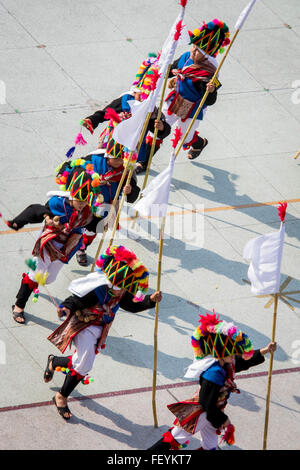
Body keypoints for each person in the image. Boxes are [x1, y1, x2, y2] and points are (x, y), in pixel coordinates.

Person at [44, 244, 162, 420]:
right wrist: (65, 308)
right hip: (83, 326)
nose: (122, 291)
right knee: (85, 364)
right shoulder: (98, 289)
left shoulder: (121, 291)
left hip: (100, 329)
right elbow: (75, 300)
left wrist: (150, 301)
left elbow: (131, 305)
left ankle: (54, 361)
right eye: (119, 287)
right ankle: (61, 396)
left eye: (124, 288)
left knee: (80, 361)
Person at [147, 312, 277, 450]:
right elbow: (206, 402)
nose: (234, 356)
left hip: (213, 413)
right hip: (201, 413)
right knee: (173, 439)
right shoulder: (213, 373)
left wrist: (265, 350)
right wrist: (223, 419)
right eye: (232, 353)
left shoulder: (226, 364)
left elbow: (242, 362)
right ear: (222, 353)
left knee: (210, 446)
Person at [8, 168, 105, 324]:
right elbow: (40, 211)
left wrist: (103, 225)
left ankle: (33, 279)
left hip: (66, 248)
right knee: (35, 275)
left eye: (84, 202)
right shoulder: (56, 203)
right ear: (71, 197)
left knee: (48, 280)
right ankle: (19, 305)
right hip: (48, 244)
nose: (81, 205)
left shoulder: (86, 210)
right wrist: (48, 219)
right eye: (78, 201)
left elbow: (92, 223)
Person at [56, 131, 142, 266]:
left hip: (108, 205)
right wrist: (63, 173)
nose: (119, 162)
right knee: (77, 224)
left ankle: (81, 248)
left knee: (94, 229)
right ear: (108, 157)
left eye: (121, 159)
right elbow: (74, 166)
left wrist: (130, 190)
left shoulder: (126, 170)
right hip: (87, 201)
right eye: (116, 158)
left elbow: (134, 191)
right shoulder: (94, 159)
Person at [80, 55, 171, 174]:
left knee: (124, 170)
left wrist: (161, 127)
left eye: (146, 98)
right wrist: (92, 120)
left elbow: (163, 131)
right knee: (106, 160)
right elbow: (106, 112)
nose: (141, 101)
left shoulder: (150, 111)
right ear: (135, 92)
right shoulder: (125, 101)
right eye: (140, 96)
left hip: (131, 145)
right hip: (113, 137)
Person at [163, 19, 231, 160]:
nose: (193, 50)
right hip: (176, 98)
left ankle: (199, 143)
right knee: (159, 126)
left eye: (197, 51)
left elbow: (211, 101)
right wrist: (161, 71)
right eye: (193, 47)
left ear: (206, 57)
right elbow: (171, 70)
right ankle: (143, 161)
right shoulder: (187, 57)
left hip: (191, 106)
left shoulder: (210, 73)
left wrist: (211, 91)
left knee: (185, 137)